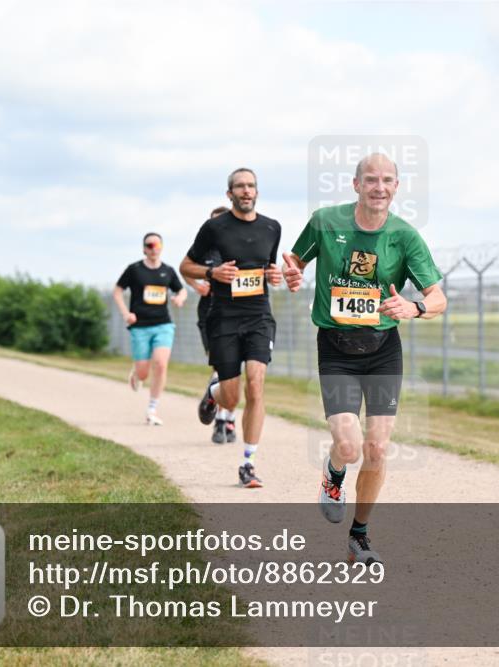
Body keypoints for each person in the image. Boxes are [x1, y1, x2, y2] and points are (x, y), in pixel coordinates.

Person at [283, 153, 447, 565]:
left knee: (377, 448)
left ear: (397, 187)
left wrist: (415, 309)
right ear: (356, 185)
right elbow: (295, 262)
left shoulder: (405, 237)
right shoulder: (325, 221)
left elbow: (438, 298)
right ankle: (333, 473)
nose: (379, 187)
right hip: (336, 347)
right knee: (349, 445)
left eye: (387, 180)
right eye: (371, 179)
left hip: (382, 350)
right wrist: (291, 274)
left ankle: (360, 535)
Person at [180, 168, 282, 488]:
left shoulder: (271, 227)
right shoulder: (214, 228)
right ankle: (213, 395)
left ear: (257, 192)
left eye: (251, 185)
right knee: (231, 396)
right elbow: (185, 266)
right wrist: (212, 273)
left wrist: (273, 276)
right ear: (230, 194)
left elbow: (268, 267)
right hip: (223, 318)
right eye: (240, 186)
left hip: (258, 317)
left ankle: (248, 463)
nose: (246, 191)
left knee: (256, 384)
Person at [113, 232, 187, 426]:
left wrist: (180, 297)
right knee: (144, 373)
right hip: (140, 327)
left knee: (161, 364)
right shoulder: (134, 270)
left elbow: (181, 289)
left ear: (161, 247)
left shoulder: (168, 271)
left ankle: (152, 409)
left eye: (157, 244)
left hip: (163, 324)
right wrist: (125, 314)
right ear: (144, 248)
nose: (153, 248)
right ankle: (137, 374)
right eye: (149, 245)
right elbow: (117, 291)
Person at [182, 205, 238, 444]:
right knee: (222, 368)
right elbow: (184, 268)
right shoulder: (203, 247)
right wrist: (196, 286)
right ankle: (219, 421)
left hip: (237, 313)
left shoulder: (237, 246)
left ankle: (228, 419)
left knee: (236, 371)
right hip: (209, 314)